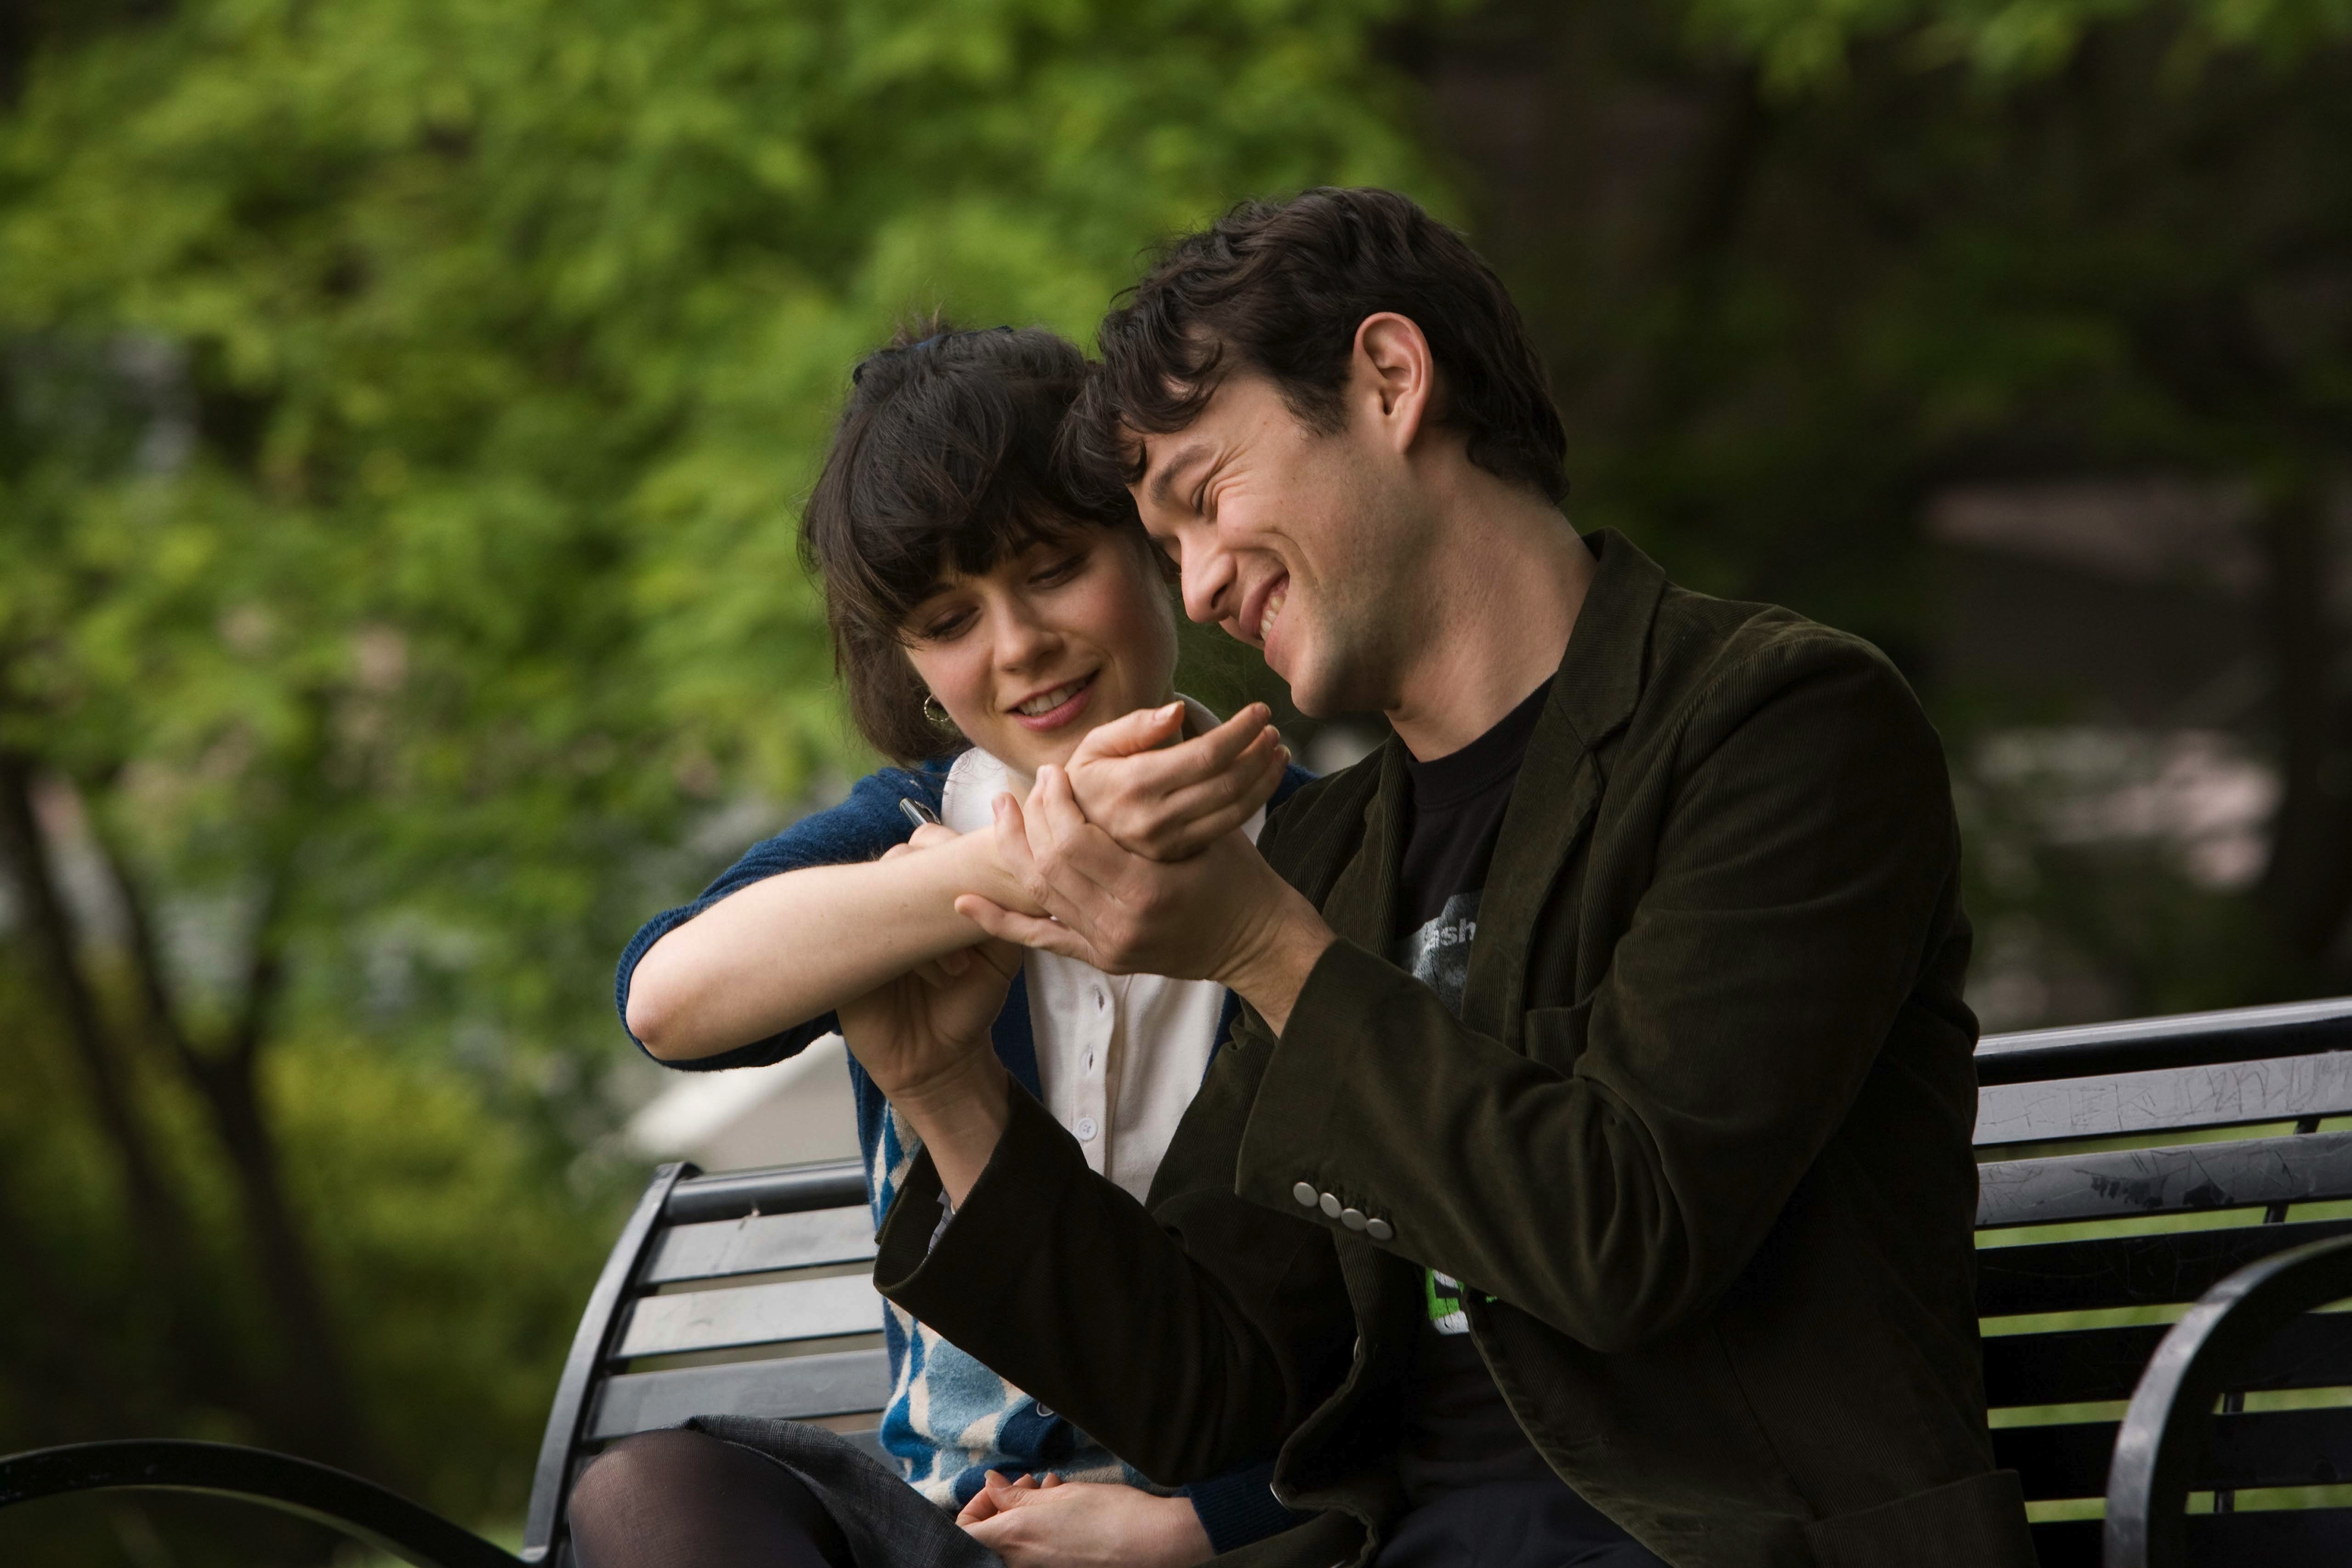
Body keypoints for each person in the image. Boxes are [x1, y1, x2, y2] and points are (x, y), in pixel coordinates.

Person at [848, 190, 2041, 1568]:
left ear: (1391, 383)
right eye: (1165, 545)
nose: (1203, 587)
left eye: (1205, 500)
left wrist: (1264, 953)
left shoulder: (1784, 727)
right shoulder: (1337, 849)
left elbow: (1627, 1234)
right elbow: (1214, 1386)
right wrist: (949, 1095)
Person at [569, 324, 1313, 1568]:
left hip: (1218, 1517)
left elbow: (1411, 1355)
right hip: (947, 1527)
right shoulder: (915, 834)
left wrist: (1201, 1525)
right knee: (658, 1491)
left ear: (1155, 541)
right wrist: (1011, 868)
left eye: (1054, 564)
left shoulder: (1327, 851)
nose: (1018, 644)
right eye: (948, 616)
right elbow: (666, 997)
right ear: (909, 663)